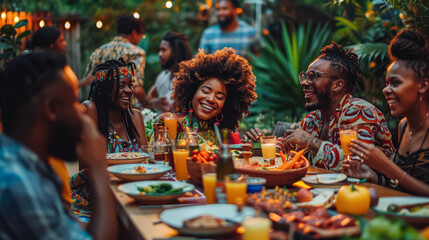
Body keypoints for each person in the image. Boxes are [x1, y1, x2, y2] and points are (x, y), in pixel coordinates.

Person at [0, 52, 117, 239]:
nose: (82, 113)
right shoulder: (19, 183)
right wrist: (98, 169)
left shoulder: (31, 166)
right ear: (52, 109)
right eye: (75, 103)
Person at [247, 42, 395, 171]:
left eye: (313, 76)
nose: (305, 83)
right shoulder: (313, 119)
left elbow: (359, 164)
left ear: (337, 85)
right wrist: (260, 145)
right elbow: (288, 149)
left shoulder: (359, 112)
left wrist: (311, 142)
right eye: (305, 76)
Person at [341, 29, 429, 196]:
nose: (385, 90)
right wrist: (375, 176)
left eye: (395, 83)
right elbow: (405, 187)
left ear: (423, 86)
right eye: (386, 83)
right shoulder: (403, 126)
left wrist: (386, 167)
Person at [71, 58, 148, 217]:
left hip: (130, 193)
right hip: (92, 202)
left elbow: (146, 160)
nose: (128, 90)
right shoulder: (90, 110)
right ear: (102, 90)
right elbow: (86, 169)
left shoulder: (135, 117)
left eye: (130, 85)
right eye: (121, 86)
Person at [159, 48, 257, 145]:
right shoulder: (175, 124)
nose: (211, 99)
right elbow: (155, 152)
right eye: (205, 91)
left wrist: (253, 144)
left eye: (219, 97)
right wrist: (158, 124)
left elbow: (234, 156)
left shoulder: (223, 134)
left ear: (225, 105)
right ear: (193, 92)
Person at [84, 15, 148, 108]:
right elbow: (137, 88)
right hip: (125, 112)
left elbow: (89, 80)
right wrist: (148, 105)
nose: (140, 39)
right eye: (141, 36)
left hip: (100, 110)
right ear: (134, 33)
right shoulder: (137, 52)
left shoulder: (99, 51)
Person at [147, 31, 192, 113]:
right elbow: (149, 97)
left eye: (163, 50)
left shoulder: (188, 80)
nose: (160, 54)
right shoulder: (163, 76)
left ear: (176, 52)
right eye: (160, 50)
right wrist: (155, 102)